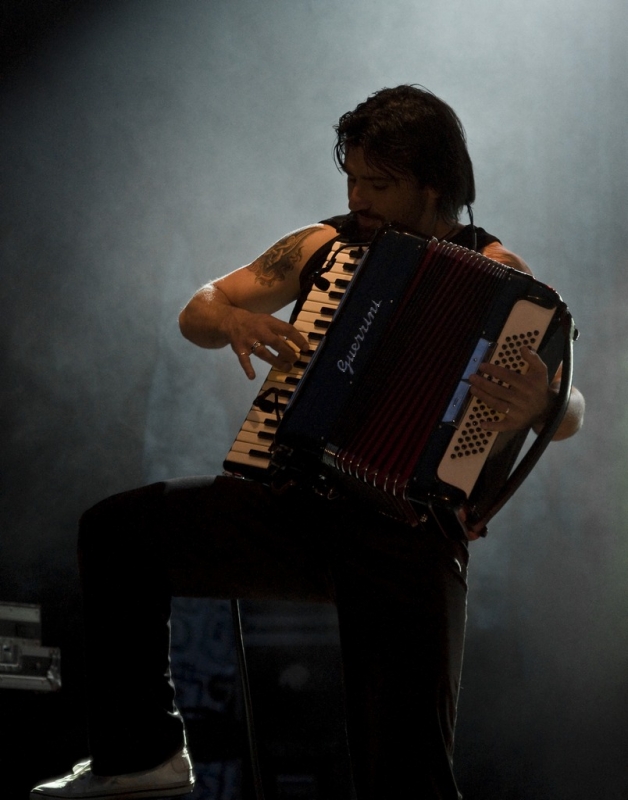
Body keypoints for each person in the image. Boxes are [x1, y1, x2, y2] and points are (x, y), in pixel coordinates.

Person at [30, 85, 584, 800]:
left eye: (377, 183)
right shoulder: (325, 247)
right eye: (351, 177)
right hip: (297, 509)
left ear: (431, 185)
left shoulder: (506, 279)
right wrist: (233, 321)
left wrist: (542, 404)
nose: (356, 196)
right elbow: (201, 306)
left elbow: (569, 408)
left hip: (407, 539)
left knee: (406, 776)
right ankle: (141, 757)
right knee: (117, 533)